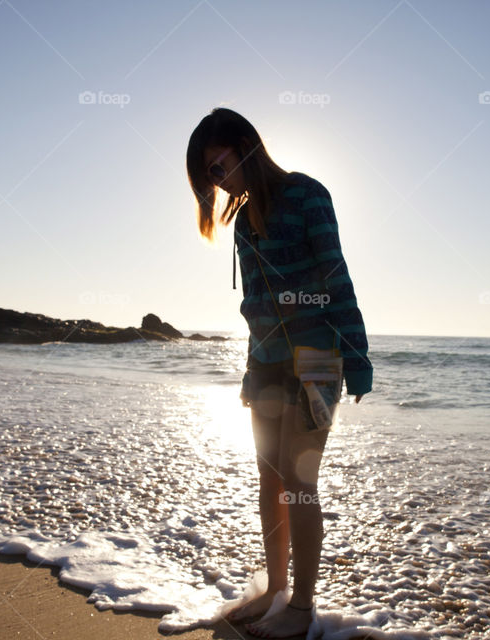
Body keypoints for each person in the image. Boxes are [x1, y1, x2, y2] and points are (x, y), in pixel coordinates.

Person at [186, 107, 372, 638]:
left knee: (299, 483)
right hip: (266, 364)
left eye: (217, 169)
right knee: (270, 482)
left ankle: (301, 608)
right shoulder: (244, 220)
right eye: (209, 179)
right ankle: (274, 589)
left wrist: (357, 360)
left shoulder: (308, 194)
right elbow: (256, 304)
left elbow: (336, 277)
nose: (217, 185)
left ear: (244, 145)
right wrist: (249, 373)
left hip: (316, 361)